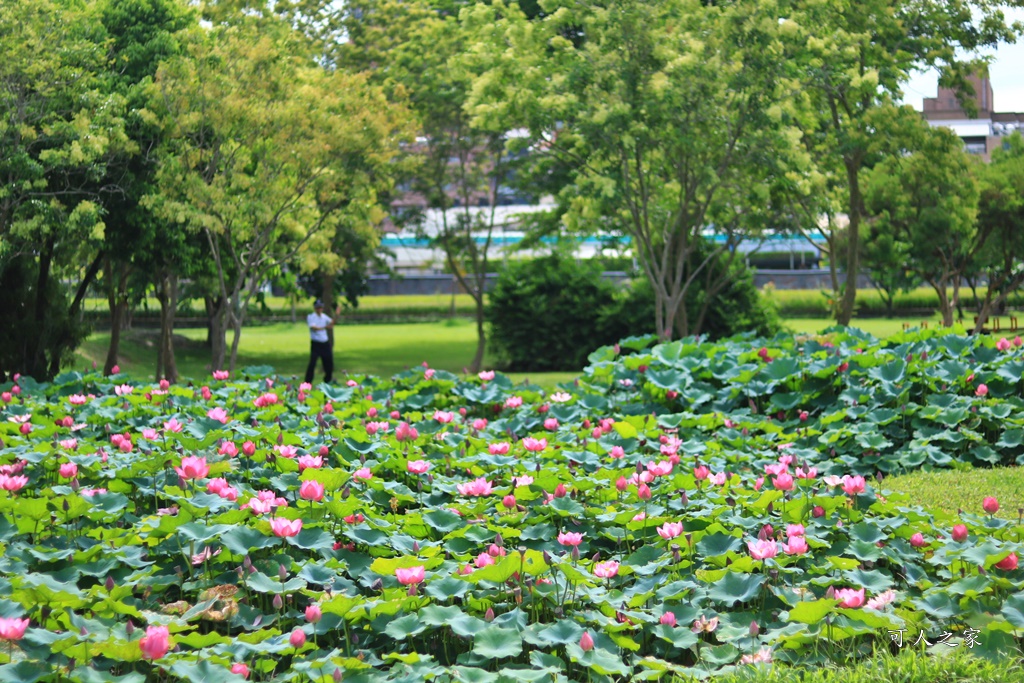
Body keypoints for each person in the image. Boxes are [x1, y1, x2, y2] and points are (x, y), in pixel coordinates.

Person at [305, 299, 335, 384]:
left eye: (321, 307)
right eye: (318, 308)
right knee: (312, 364)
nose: (319, 309)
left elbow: (332, 323)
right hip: (316, 344)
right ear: (315, 308)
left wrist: (336, 315)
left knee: (329, 364)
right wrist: (325, 327)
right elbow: (313, 327)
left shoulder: (324, 316)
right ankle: (307, 383)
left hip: (325, 343)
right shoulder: (311, 317)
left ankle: (327, 381)